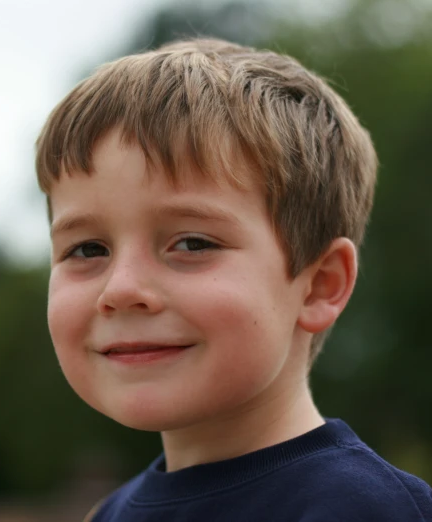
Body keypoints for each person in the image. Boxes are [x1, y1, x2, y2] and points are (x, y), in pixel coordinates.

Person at [34, 37, 432, 521]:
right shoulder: (108, 514)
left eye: (192, 243)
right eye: (87, 249)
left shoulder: (365, 510)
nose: (121, 289)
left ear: (319, 284)